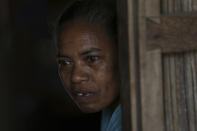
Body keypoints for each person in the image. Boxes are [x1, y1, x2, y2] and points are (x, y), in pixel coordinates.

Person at [54, 0, 121, 130]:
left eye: (92, 59)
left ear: (123, 55)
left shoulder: (145, 119)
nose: (76, 77)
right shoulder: (112, 114)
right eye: (65, 62)